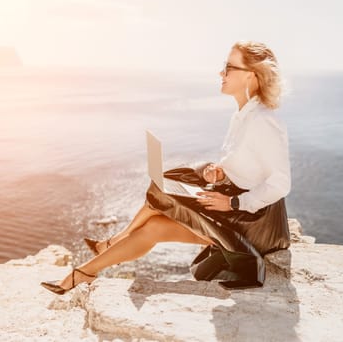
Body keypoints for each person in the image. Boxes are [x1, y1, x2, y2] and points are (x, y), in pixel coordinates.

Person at [40, 40, 291, 294]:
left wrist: (232, 203)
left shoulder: (264, 122)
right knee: (154, 226)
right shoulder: (242, 116)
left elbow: (281, 183)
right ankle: (83, 274)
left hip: (255, 224)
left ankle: (108, 245)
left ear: (251, 75)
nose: (221, 73)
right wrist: (221, 170)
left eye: (228, 67)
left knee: (160, 190)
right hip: (240, 212)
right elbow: (247, 164)